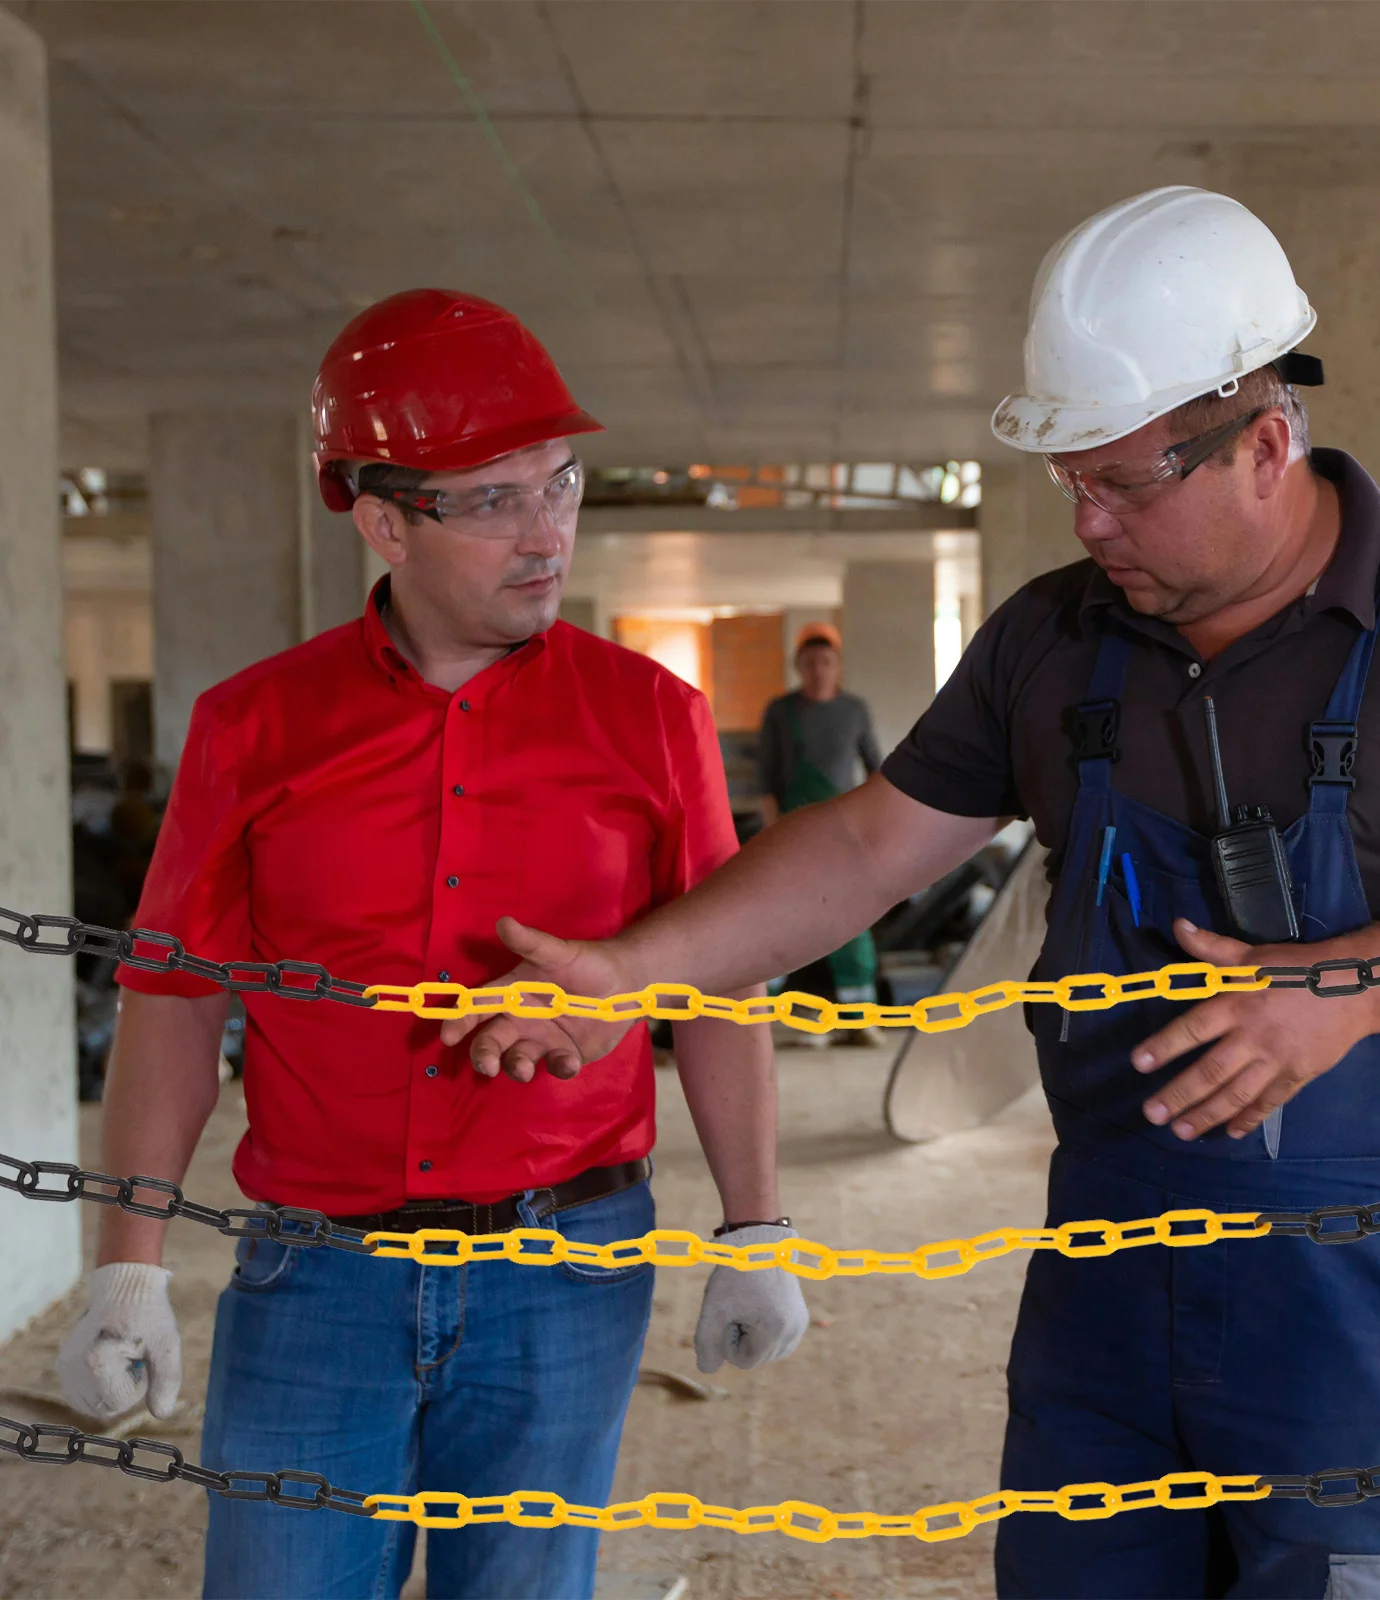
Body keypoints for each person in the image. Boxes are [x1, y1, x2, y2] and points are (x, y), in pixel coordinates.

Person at [435, 189, 1380, 1599]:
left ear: (1267, 443)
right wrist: (637, 974)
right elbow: (872, 845)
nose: (1088, 520)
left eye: (1119, 484)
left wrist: (1346, 995)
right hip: (1110, 1265)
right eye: (1071, 484)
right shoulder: (1057, 636)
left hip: (1361, 1286)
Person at [54, 289, 807, 1600]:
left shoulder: (651, 719)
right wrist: (123, 1269)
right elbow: (174, 1001)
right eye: (497, 500)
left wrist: (756, 1225)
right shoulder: (255, 730)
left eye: (560, 485)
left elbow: (718, 981)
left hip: (565, 1273)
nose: (548, 534)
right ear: (384, 516)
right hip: (315, 1281)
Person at [755, 623, 883, 1041]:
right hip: (792, 829)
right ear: (799, 666)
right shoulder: (781, 711)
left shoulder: (855, 710)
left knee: (851, 918)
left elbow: (877, 770)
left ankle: (858, 1019)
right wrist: (772, 833)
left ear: (837, 666)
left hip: (843, 830)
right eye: (810, 663)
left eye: (826, 662)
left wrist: (875, 824)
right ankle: (764, 1018)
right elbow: (766, 777)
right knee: (780, 918)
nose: (818, 670)